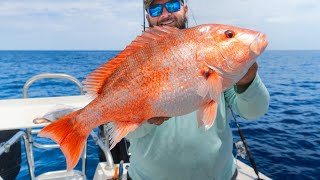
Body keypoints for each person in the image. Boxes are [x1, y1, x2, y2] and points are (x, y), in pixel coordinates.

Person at [125, 0, 270, 180]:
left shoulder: (216, 62)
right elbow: (127, 133)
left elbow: (254, 111)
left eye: (172, 5)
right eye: (155, 9)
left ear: (185, 9)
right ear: (148, 17)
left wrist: (247, 81)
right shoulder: (135, 62)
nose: (165, 14)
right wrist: (145, 117)